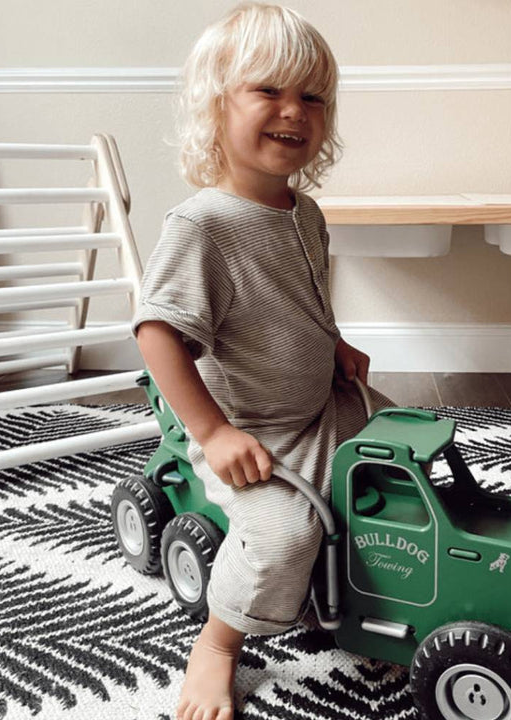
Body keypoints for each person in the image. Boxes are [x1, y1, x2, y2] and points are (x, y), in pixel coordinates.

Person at [132, 4, 391, 720]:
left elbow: (302, 296)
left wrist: (333, 341)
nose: (293, 112)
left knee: (405, 452)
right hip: (255, 428)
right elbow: (157, 333)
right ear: (216, 106)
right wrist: (213, 435)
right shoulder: (203, 224)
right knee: (286, 535)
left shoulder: (302, 212)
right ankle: (218, 643)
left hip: (318, 402)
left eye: (312, 96)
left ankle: (371, 585)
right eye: (268, 91)